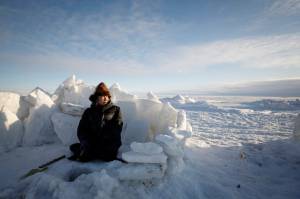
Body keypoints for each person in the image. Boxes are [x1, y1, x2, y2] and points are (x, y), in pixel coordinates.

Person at [68, 82, 123, 162]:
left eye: (107, 96)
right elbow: (82, 129)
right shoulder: (89, 111)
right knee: (81, 154)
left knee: (107, 156)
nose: (105, 98)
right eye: (102, 96)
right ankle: (86, 151)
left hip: (109, 143)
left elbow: (117, 128)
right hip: (93, 142)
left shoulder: (116, 110)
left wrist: (107, 139)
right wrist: (85, 141)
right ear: (97, 97)